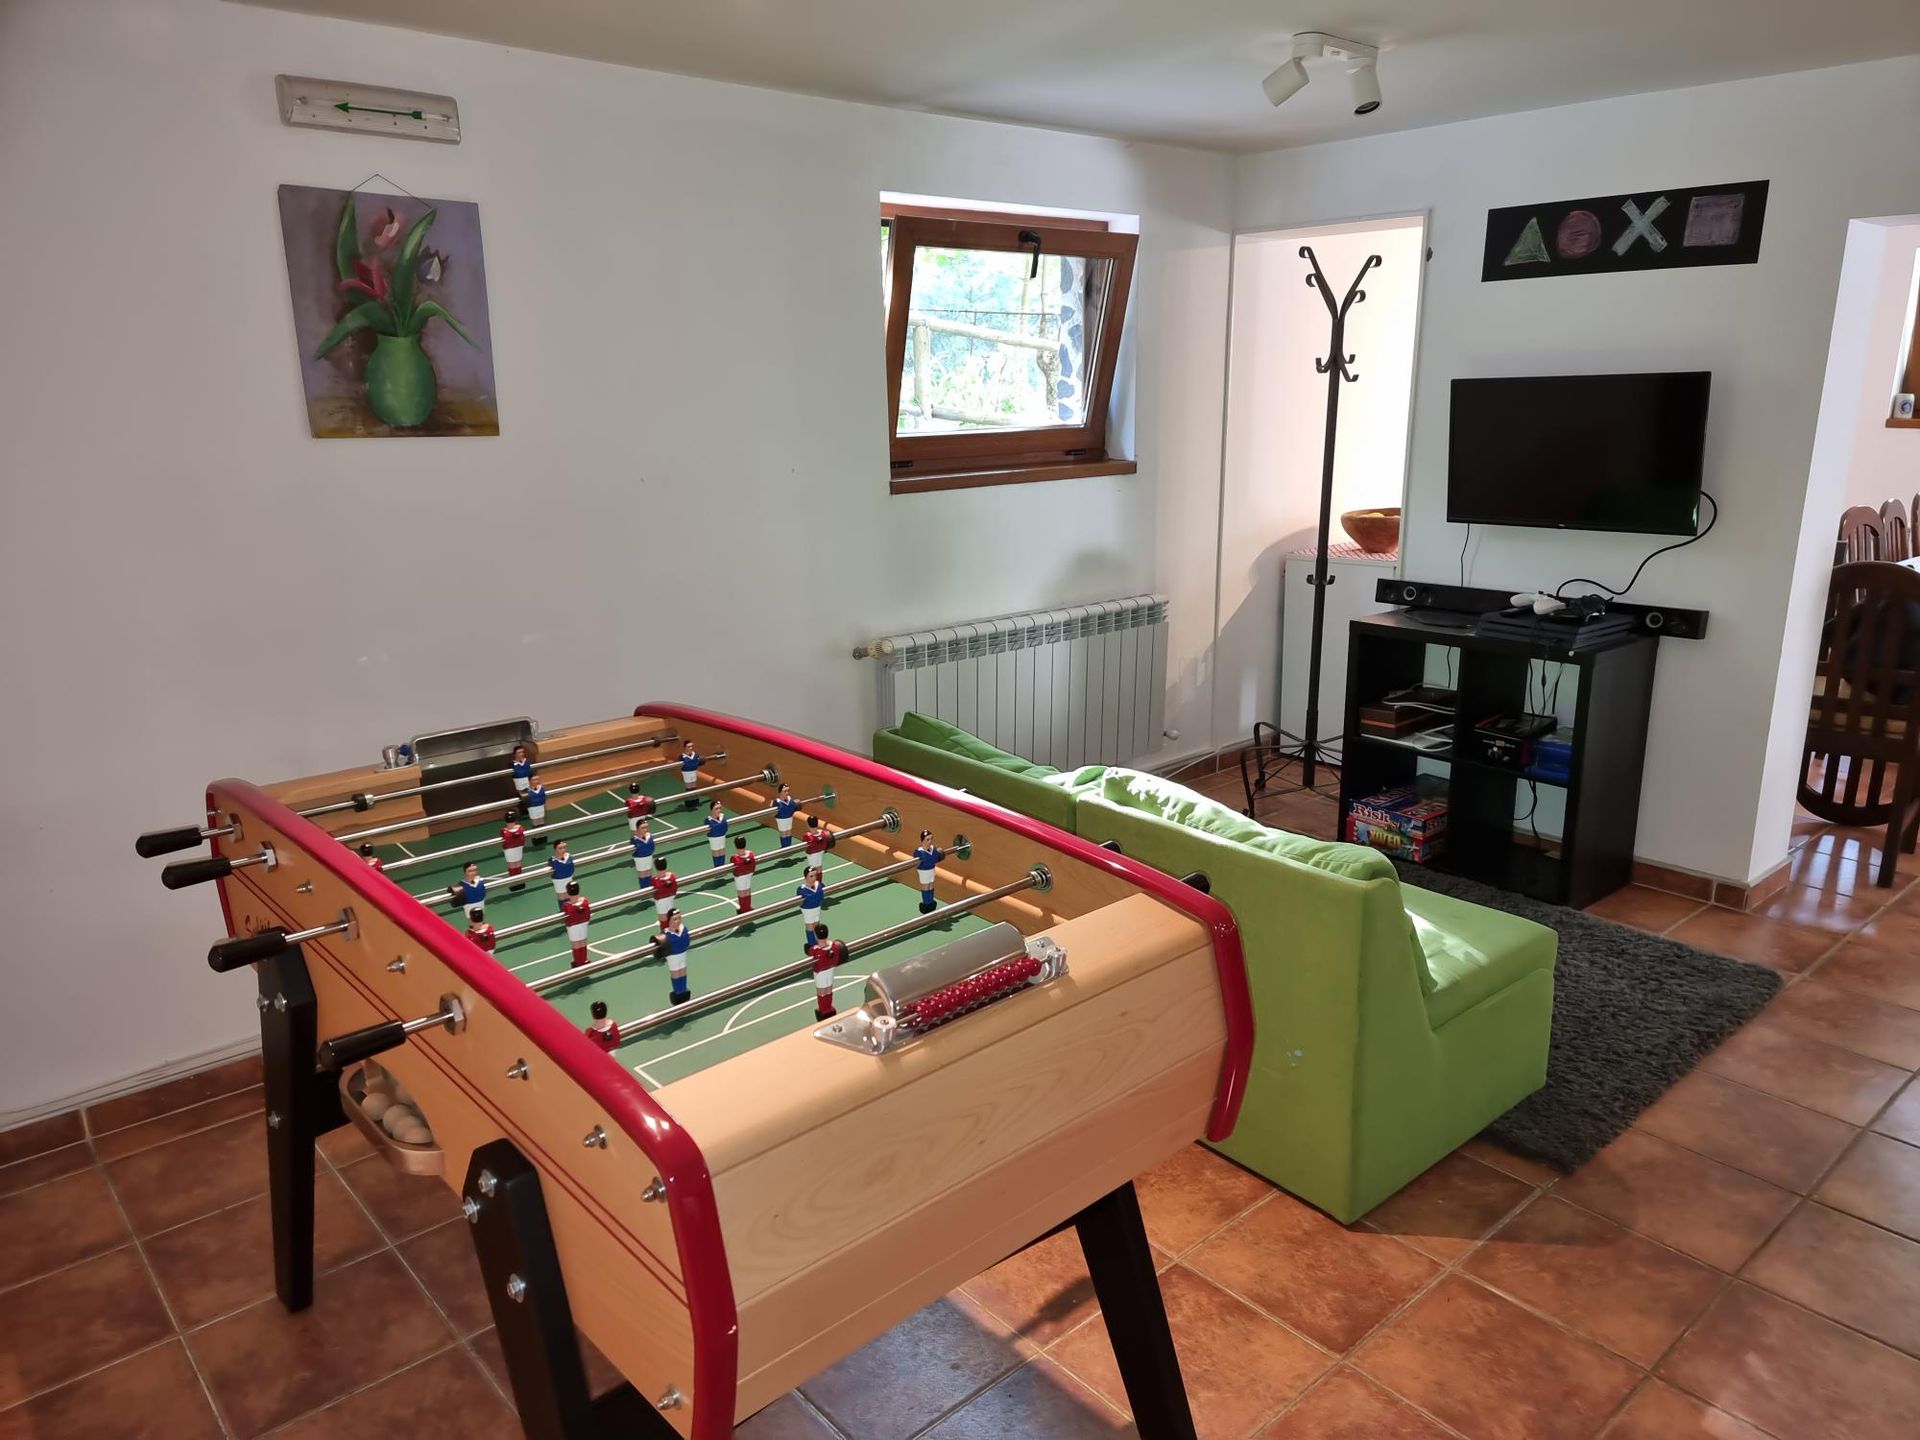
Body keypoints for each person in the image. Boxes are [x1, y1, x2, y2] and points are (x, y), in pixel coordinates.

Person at [808, 922, 848, 1021]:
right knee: (829, 989)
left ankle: (823, 1010)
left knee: (822, 992)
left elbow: (810, 952)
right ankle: (829, 1007)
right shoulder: (833, 945)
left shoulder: (816, 950)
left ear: (816, 936)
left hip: (820, 973)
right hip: (830, 970)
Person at [661, 909, 692, 1004]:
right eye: (674, 919)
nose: (677, 921)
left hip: (683, 954)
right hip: (673, 957)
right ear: (669, 921)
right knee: (676, 973)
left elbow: (687, 941)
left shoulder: (683, 929)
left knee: (683, 972)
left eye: (679, 918)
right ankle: (678, 993)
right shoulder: (665, 934)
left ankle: (683, 991)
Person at [912, 830, 945, 915]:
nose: (930, 841)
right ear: (922, 840)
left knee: (931, 885)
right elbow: (919, 862)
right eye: (927, 839)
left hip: (932, 870)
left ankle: (931, 902)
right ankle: (926, 904)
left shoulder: (933, 849)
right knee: (926, 887)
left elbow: (936, 858)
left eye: (931, 839)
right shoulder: (919, 852)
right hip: (924, 872)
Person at [561, 881, 592, 967]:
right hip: (584, 924)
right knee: (583, 942)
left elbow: (564, 919)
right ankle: (584, 960)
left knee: (576, 944)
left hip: (572, 927)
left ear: (568, 892)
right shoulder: (585, 901)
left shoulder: (567, 906)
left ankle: (578, 963)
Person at [796, 866, 827, 950]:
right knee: (810, 926)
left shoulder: (819, 885)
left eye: (815, 875)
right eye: (811, 876)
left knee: (817, 925)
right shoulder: (801, 890)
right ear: (805, 877)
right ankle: (812, 946)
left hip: (817, 908)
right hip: (808, 911)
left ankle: (819, 943)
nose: (814, 878)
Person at [500, 812, 527, 890]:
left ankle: (515, 883)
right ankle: (519, 882)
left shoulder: (504, 831)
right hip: (518, 848)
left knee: (512, 864)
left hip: (509, 849)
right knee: (517, 863)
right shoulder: (520, 828)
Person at [730, 834, 756, 913]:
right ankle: (748, 907)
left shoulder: (735, 858)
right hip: (749, 873)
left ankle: (743, 909)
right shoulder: (750, 854)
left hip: (740, 876)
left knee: (741, 891)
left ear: (735, 845)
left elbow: (733, 869)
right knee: (747, 889)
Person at [651, 856, 679, 926]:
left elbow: (656, 885)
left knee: (663, 920)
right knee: (670, 916)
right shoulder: (672, 876)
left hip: (661, 902)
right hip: (670, 898)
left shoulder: (655, 880)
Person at [525, 773, 549, 844]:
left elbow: (544, 798)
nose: (536, 781)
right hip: (532, 808)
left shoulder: (541, 787)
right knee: (535, 822)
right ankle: (536, 838)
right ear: (529, 781)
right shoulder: (527, 790)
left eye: (537, 779)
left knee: (541, 821)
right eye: (534, 780)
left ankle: (543, 837)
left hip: (540, 806)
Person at [630, 817, 656, 883]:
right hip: (640, 859)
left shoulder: (649, 836)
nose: (645, 830)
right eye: (642, 828)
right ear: (637, 829)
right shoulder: (634, 839)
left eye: (646, 827)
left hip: (649, 856)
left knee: (649, 874)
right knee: (643, 875)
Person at [705, 801, 729, 870]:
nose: (719, 810)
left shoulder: (722, 817)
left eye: (720, 808)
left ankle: (722, 869)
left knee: (722, 851)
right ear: (712, 810)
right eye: (716, 809)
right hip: (714, 839)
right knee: (716, 852)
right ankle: (717, 870)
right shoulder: (708, 820)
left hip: (722, 837)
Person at [678, 742, 701, 809]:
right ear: (685, 747)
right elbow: (679, 766)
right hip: (686, 773)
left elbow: (699, 761)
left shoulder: (695, 755)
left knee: (694, 786)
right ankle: (688, 803)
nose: (691, 748)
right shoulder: (682, 756)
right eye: (688, 747)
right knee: (689, 787)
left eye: (691, 746)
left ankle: (695, 801)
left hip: (694, 771)